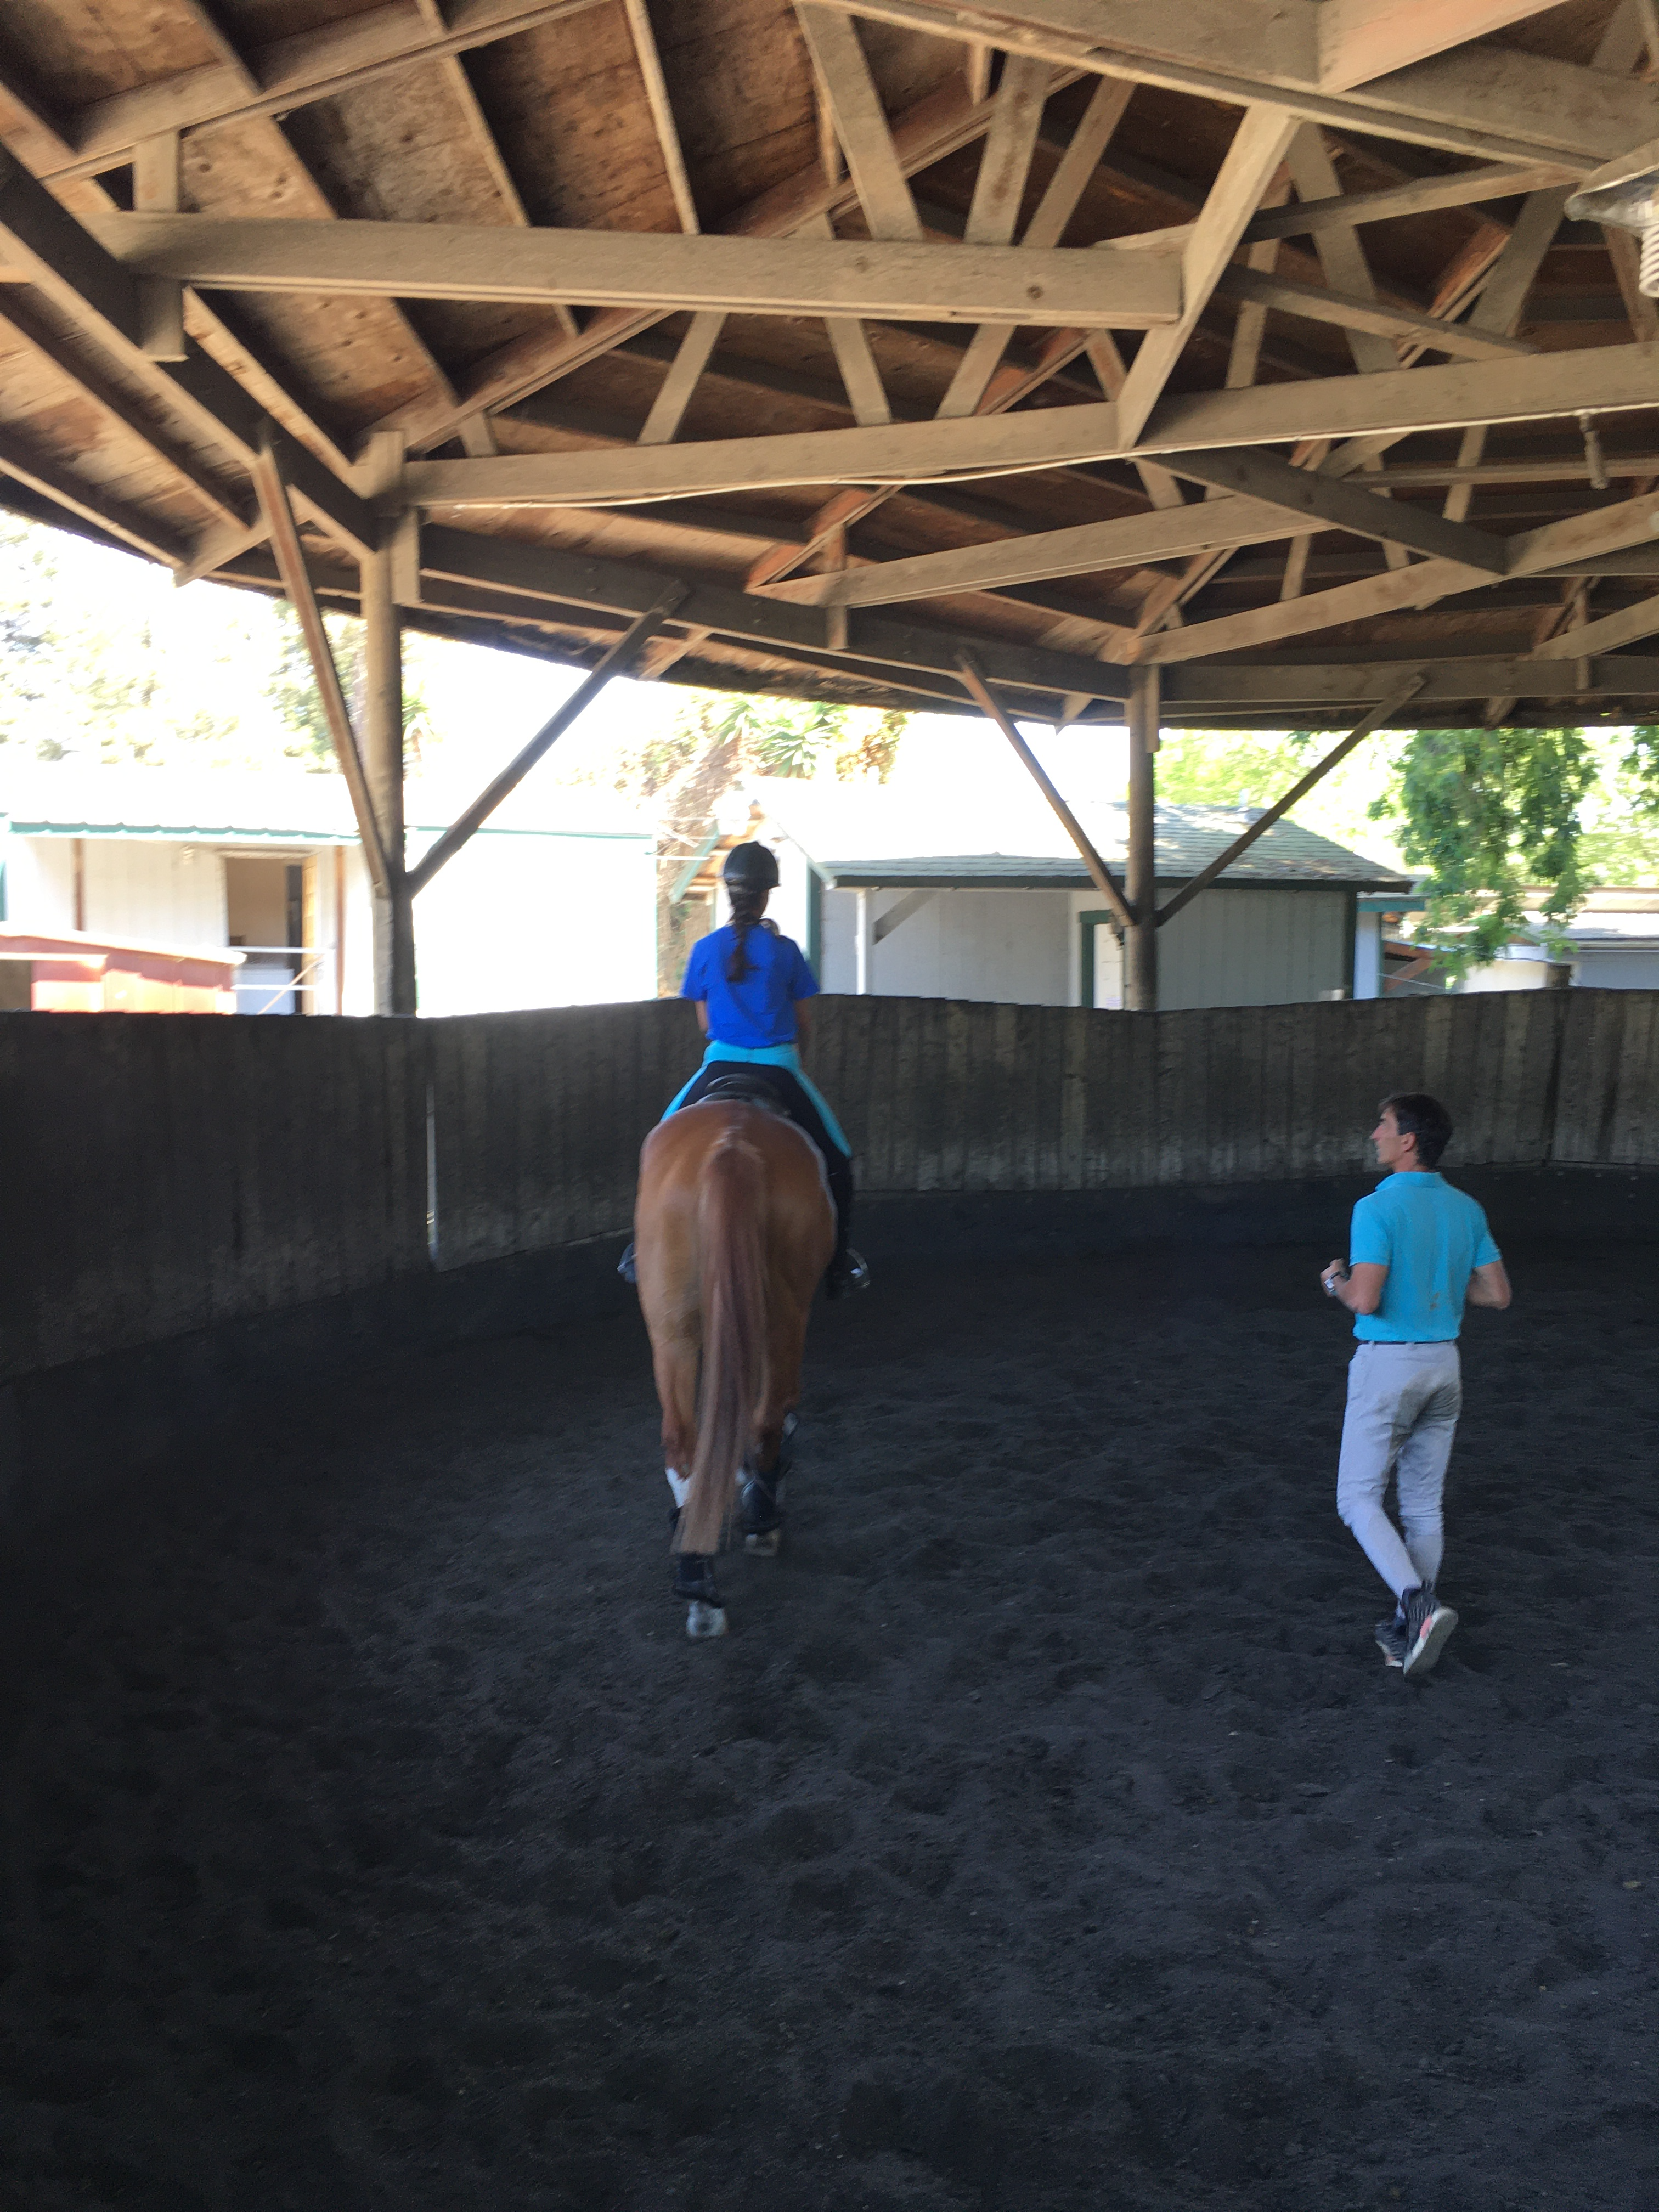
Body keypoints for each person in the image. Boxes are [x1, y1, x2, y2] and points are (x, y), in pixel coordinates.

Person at [620, 841, 868, 1299]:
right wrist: (797, 1058)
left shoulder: (705, 949)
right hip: (780, 1067)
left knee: (657, 1144)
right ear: (765, 896)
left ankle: (641, 1248)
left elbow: (704, 1022)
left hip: (717, 1067)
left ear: (730, 893)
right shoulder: (786, 951)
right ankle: (839, 1264)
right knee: (838, 1156)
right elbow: (804, 1021)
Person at [1320, 1093, 1510, 1678]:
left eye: (1382, 1124)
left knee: (1356, 1499)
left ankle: (1418, 1605)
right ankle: (1410, 1629)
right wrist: (1446, 1295)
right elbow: (1497, 1295)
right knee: (1423, 1504)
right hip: (1444, 1363)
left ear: (1408, 1141)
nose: (1374, 1132)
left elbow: (1366, 1298)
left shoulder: (1376, 1208)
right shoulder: (1466, 1209)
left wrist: (1334, 1282)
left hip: (1390, 1366)